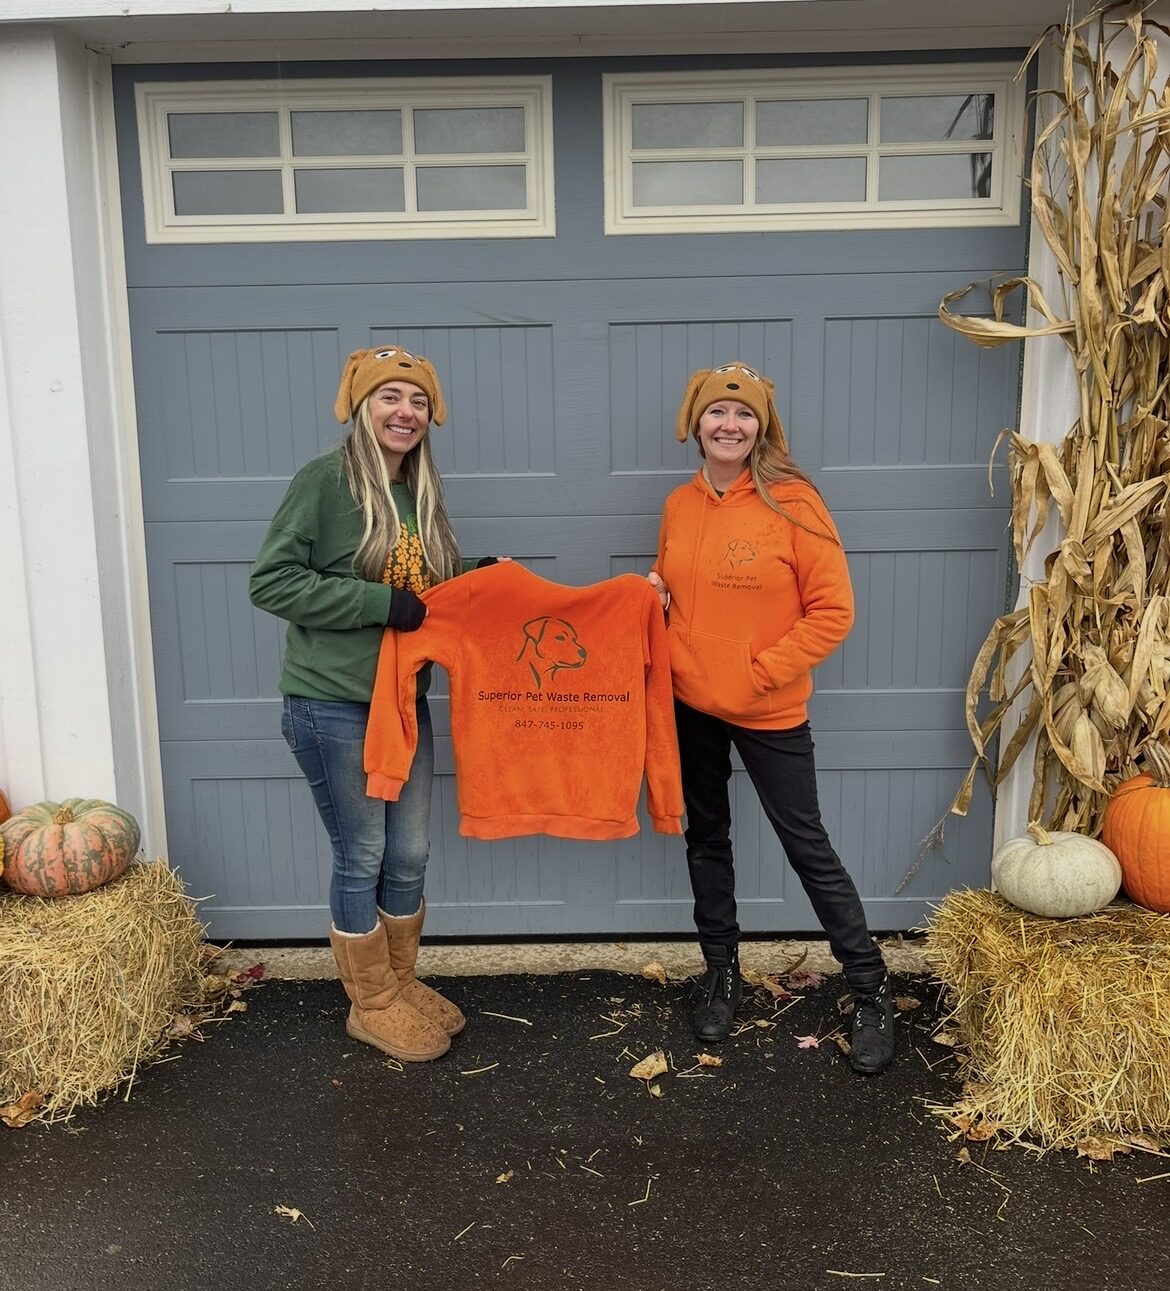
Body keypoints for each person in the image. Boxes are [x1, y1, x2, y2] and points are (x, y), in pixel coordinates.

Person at [648, 362, 895, 1075]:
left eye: (744, 415)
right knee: (709, 837)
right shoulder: (679, 504)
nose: (730, 426)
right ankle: (721, 971)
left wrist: (757, 674)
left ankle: (870, 983)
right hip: (691, 703)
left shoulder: (795, 503)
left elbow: (833, 612)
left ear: (762, 426)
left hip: (769, 706)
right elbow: (680, 595)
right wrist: (655, 601)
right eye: (717, 414)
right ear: (695, 424)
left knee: (805, 842)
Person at [250, 345, 490, 1064]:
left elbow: (425, 585)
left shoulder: (419, 488)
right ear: (361, 406)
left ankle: (401, 981)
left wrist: (480, 578)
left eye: (416, 401)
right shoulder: (325, 482)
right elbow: (272, 581)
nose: (405, 412)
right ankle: (371, 1002)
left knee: (409, 853)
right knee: (363, 853)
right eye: (390, 397)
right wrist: (376, 603)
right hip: (332, 703)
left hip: (403, 701)